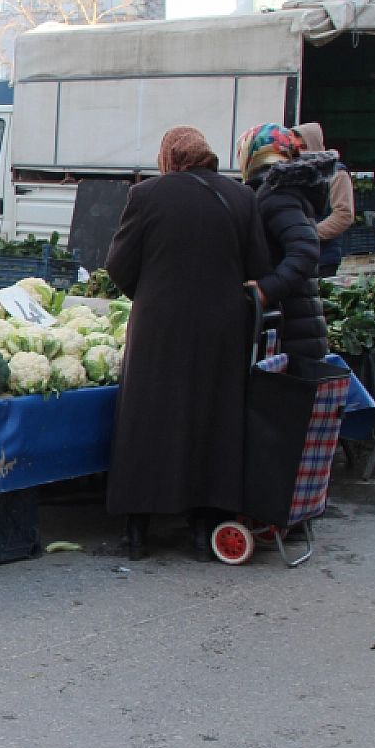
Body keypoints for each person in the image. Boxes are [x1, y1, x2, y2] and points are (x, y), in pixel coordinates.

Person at [105, 127, 271, 560]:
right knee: (213, 417)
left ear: (168, 156)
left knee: (149, 418)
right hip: (222, 328)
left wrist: (152, 294)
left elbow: (118, 265)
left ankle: (137, 531)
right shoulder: (242, 197)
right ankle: (202, 531)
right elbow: (258, 265)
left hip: (159, 326)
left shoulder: (147, 195)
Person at [238, 124, 335, 362]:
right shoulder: (283, 192)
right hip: (298, 328)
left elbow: (305, 250)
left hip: (292, 332)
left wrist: (267, 289)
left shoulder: (275, 194)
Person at [294, 123, 355, 278]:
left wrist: (310, 233)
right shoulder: (295, 174)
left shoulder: (336, 174)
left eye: (304, 147)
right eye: (296, 148)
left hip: (324, 257)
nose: (300, 152)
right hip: (297, 255)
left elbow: (344, 215)